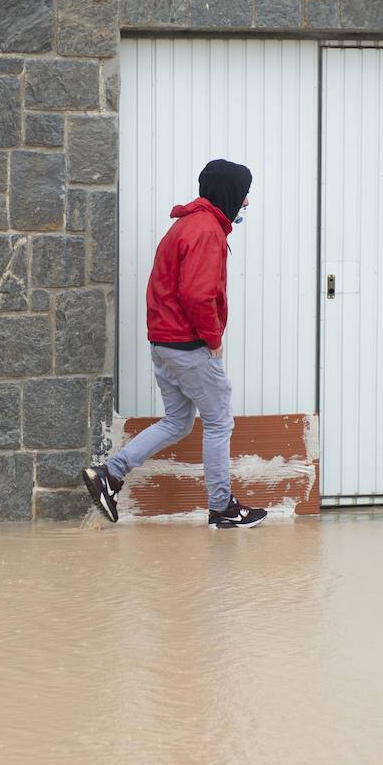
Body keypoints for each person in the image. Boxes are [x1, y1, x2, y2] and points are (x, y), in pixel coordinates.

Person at [83, 159, 267, 530]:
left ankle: (110, 475)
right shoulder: (206, 231)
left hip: (165, 343)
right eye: (244, 193)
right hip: (187, 345)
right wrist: (212, 339)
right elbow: (198, 295)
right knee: (218, 421)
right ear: (230, 192)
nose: (246, 202)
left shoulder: (188, 225)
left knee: (178, 421)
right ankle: (222, 508)